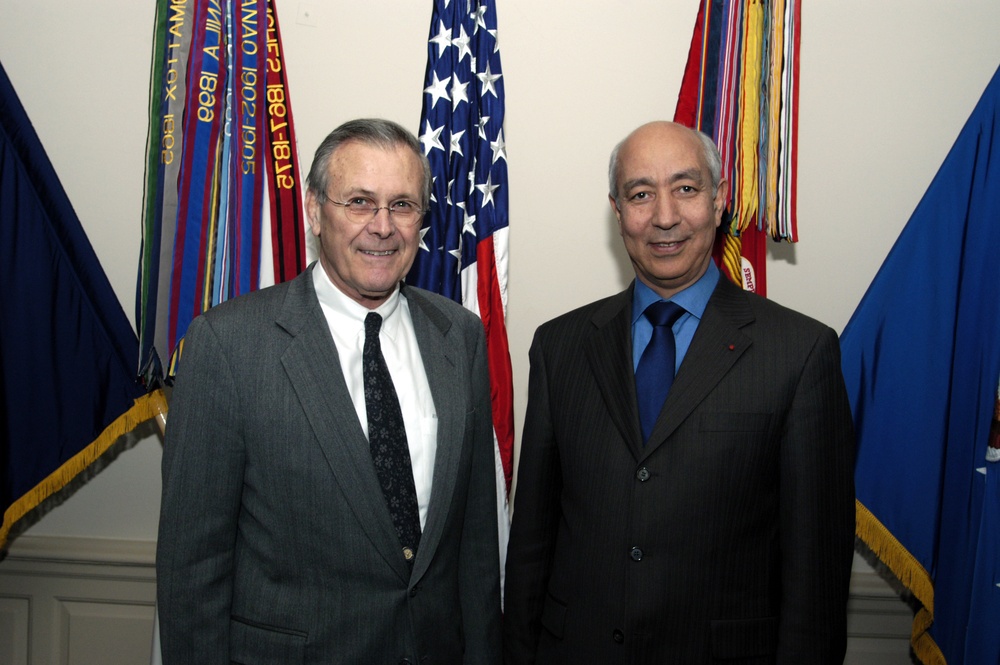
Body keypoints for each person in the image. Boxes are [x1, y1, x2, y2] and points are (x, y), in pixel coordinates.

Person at [503, 121, 855, 664]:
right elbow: (532, 546)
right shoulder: (560, 348)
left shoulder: (800, 353)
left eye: (686, 189)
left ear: (717, 203)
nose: (664, 216)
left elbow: (815, 580)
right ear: (618, 213)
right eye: (641, 194)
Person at [156, 118, 502, 664]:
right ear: (315, 210)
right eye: (360, 201)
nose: (382, 227)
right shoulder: (228, 345)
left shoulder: (458, 336)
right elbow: (192, 570)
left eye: (403, 205)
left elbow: (476, 549)